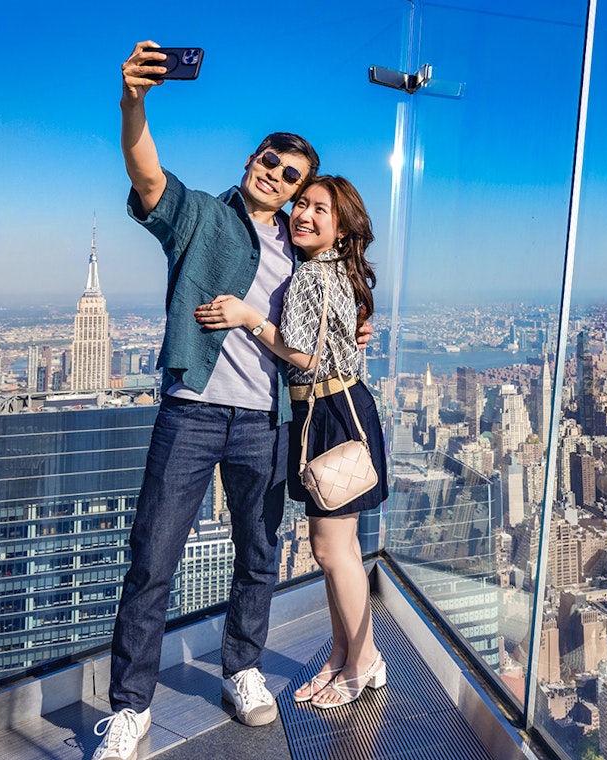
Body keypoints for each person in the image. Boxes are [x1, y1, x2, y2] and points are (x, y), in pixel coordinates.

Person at [95, 41, 358, 760]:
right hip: (192, 409)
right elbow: (146, 175)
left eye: (292, 176)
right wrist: (134, 102)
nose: (277, 177)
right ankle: (130, 707)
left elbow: (338, 299)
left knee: (258, 553)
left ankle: (242, 668)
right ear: (252, 161)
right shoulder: (201, 217)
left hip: (264, 422)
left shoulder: (303, 250)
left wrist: (359, 316)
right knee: (152, 556)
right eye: (271, 162)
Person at [197, 175, 389, 710]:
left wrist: (247, 316)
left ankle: (363, 660)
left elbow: (303, 354)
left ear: (342, 229)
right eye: (301, 203)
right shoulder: (329, 271)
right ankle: (343, 653)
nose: (303, 214)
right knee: (341, 550)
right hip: (338, 409)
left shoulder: (311, 276)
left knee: (331, 551)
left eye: (319, 209)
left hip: (330, 413)